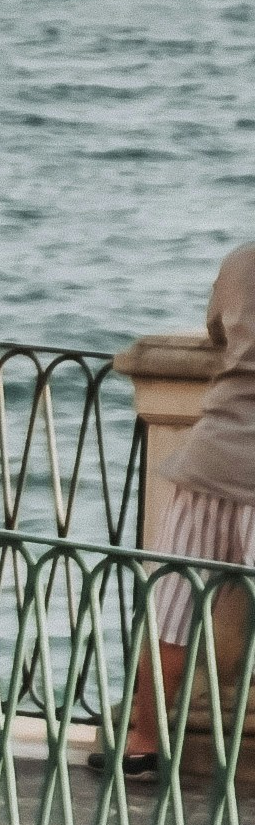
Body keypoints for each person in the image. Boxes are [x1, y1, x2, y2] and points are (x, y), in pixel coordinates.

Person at [133, 235, 255, 773]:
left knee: (172, 612)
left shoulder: (242, 260)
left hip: (211, 456)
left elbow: (216, 331)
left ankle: (142, 742)